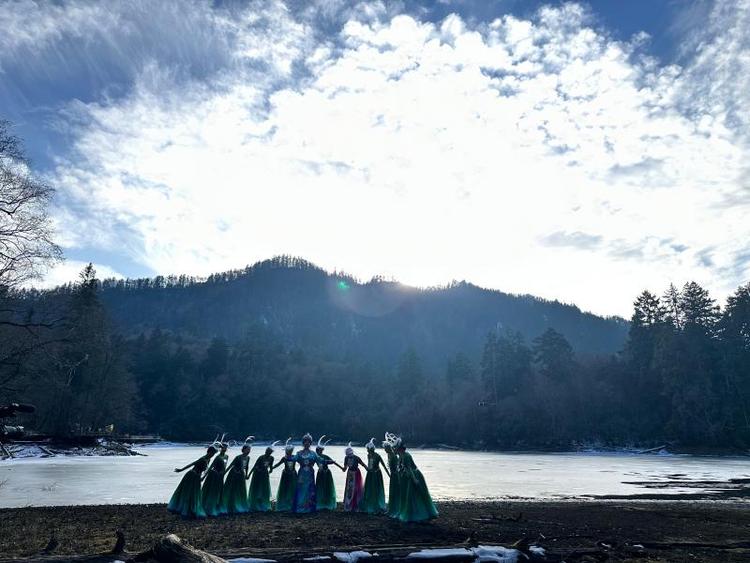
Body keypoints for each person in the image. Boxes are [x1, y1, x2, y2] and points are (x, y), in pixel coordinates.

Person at [168, 445, 216, 518]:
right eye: (212, 453)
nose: (212, 455)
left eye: (213, 454)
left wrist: (203, 477)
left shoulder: (208, 460)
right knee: (188, 492)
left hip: (197, 477)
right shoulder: (202, 459)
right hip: (191, 476)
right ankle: (185, 510)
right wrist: (181, 470)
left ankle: (192, 509)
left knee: (195, 493)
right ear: (208, 452)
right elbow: (191, 464)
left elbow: (206, 470)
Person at [396, 441, 438, 522]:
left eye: (396, 448)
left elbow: (409, 468)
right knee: (410, 495)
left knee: (415, 495)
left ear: (399, 449)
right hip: (409, 476)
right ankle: (413, 513)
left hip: (415, 475)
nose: (395, 450)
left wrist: (414, 479)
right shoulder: (401, 456)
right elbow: (401, 468)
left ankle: (421, 514)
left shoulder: (406, 456)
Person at [221, 437, 252, 514]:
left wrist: (247, 475)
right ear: (243, 450)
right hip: (234, 474)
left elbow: (247, 466)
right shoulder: (238, 457)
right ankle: (231, 504)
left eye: (249, 450)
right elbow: (231, 465)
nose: (248, 451)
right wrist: (224, 473)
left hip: (241, 474)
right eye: (247, 450)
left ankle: (240, 503)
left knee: (240, 490)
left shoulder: (248, 457)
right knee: (232, 489)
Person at [360, 438, 389, 514]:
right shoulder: (368, 455)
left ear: (371, 449)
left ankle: (377, 504)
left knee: (376, 489)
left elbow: (383, 466)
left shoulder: (378, 456)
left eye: (368, 449)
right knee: (369, 489)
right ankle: (369, 503)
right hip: (370, 474)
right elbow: (369, 464)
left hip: (376, 474)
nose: (367, 450)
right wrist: (367, 469)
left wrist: (389, 474)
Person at [248, 441, 279, 512]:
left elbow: (270, 466)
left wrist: (271, 470)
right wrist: (249, 475)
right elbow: (255, 466)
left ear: (271, 452)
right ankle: (255, 503)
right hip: (257, 474)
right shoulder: (261, 457)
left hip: (265, 474)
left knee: (264, 488)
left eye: (269, 451)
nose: (267, 452)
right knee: (257, 488)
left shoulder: (271, 458)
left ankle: (263, 502)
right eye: (267, 451)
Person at [293, 433, 320, 513]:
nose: (307, 443)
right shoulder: (299, 453)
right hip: (301, 474)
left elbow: (320, 460)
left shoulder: (313, 454)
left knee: (310, 490)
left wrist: (328, 461)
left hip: (310, 474)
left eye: (308, 442)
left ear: (310, 443)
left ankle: (309, 507)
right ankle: (300, 507)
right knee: (301, 489)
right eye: (305, 441)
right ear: (303, 443)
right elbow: (293, 459)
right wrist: (287, 457)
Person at [315, 435, 343, 511]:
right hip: (320, 474)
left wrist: (341, 468)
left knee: (327, 488)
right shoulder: (315, 457)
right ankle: (320, 502)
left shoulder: (325, 456)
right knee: (320, 488)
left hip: (326, 473)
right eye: (318, 450)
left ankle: (327, 502)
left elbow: (333, 462)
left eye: (320, 450)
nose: (320, 451)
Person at [201, 439, 229, 516]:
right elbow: (211, 467)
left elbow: (225, 466)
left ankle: (217, 506)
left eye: (226, 448)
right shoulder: (217, 457)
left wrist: (223, 473)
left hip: (221, 476)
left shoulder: (226, 456)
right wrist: (204, 476)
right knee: (211, 491)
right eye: (223, 447)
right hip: (214, 475)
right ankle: (209, 507)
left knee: (219, 491)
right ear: (221, 448)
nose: (225, 449)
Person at [272, 438, 297, 512]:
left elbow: (301, 462)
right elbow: (278, 464)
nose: (289, 452)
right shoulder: (284, 458)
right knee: (285, 489)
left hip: (293, 475)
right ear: (286, 451)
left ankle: (292, 503)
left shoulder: (294, 457)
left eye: (290, 451)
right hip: (286, 475)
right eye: (288, 451)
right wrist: (272, 468)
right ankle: (284, 503)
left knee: (293, 489)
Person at [342, 442, 366, 512]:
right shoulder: (346, 458)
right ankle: (349, 504)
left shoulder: (356, 458)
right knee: (349, 489)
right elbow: (345, 468)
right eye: (349, 455)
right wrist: (343, 468)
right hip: (350, 474)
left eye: (351, 455)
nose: (350, 456)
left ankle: (355, 505)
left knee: (356, 489)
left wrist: (368, 469)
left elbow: (363, 464)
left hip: (356, 474)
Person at [383, 432, 401, 518]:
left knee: (395, 491)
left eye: (385, 448)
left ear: (388, 448)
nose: (385, 450)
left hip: (395, 475)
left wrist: (397, 475)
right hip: (392, 475)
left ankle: (396, 508)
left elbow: (398, 466)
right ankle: (391, 508)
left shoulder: (393, 456)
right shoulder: (389, 455)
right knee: (392, 491)